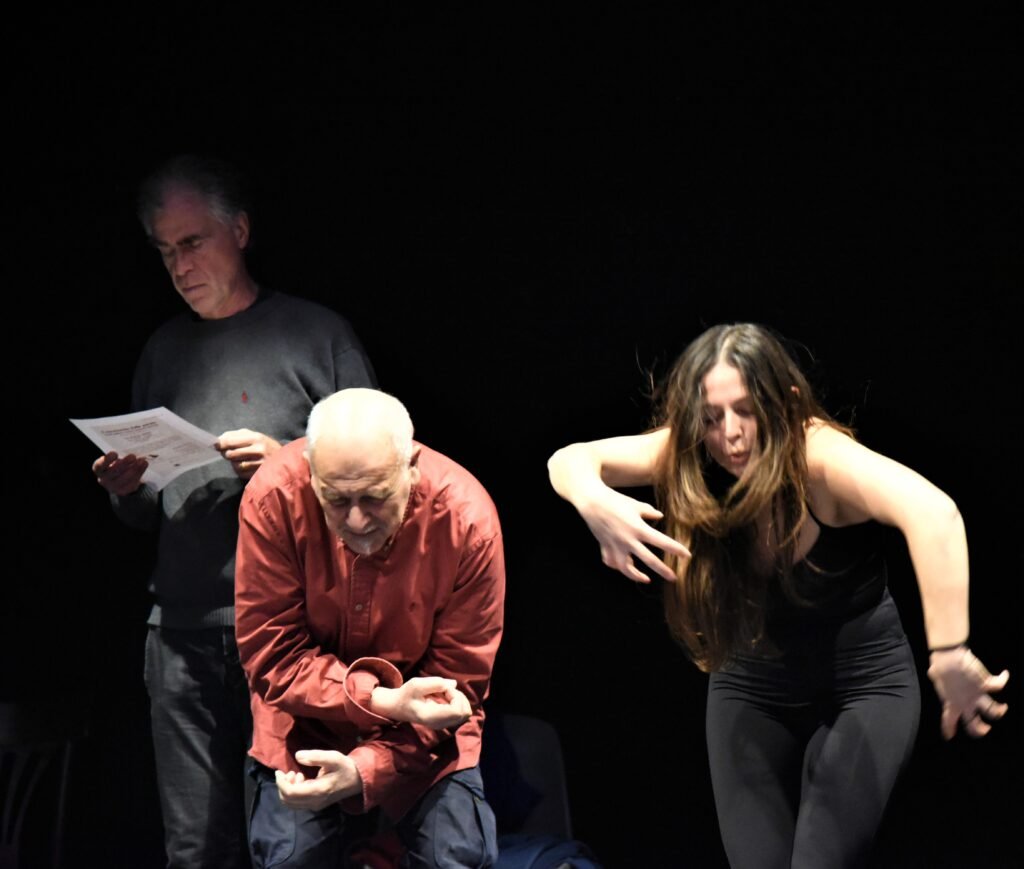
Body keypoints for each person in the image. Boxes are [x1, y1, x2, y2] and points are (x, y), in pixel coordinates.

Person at [547, 323, 1009, 869]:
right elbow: (569, 460)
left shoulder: (821, 459)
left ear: (786, 401)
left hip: (863, 683)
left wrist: (950, 653)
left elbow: (933, 514)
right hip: (751, 682)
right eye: (711, 417)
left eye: (746, 410)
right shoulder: (696, 451)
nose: (730, 434)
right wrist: (592, 499)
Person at [91, 155, 376, 869]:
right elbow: (144, 516)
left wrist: (290, 463)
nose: (179, 266)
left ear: (240, 231)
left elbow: (387, 489)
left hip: (291, 633)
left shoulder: (317, 336)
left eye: (192, 243)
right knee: (195, 850)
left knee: (296, 843)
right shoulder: (164, 349)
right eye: (165, 251)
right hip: (181, 633)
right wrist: (126, 487)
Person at [235, 388, 504, 869]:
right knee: (290, 859)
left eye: (375, 497)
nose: (356, 520)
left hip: (425, 733)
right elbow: (272, 656)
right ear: (311, 473)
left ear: (411, 466)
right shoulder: (274, 496)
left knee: (454, 857)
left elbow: (457, 686)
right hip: (304, 722)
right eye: (335, 500)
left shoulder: (467, 520)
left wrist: (367, 767)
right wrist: (383, 700)